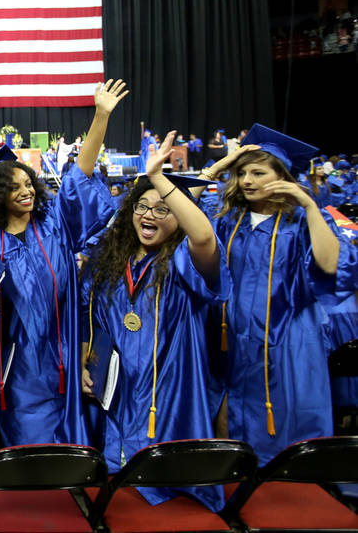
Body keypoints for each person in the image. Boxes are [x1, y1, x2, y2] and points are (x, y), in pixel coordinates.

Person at [0, 79, 126, 447]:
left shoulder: (55, 227)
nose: (26, 191)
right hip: (14, 363)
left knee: (67, 442)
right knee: (29, 444)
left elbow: (78, 178)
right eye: (15, 187)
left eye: (29, 183)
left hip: (64, 355)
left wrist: (100, 116)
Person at [82, 134, 230, 510]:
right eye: (142, 207)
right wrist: (87, 359)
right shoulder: (109, 264)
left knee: (169, 502)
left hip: (168, 389)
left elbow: (204, 237)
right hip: (115, 391)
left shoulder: (183, 262)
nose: (148, 215)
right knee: (115, 500)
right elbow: (93, 320)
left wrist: (159, 178)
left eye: (163, 209)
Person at [196, 124, 358, 463]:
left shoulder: (301, 221)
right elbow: (183, 202)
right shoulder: (228, 217)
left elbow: (331, 265)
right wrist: (223, 164)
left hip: (287, 340)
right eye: (241, 173)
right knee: (227, 422)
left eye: (258, 172)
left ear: (282, 176)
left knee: (288, 423)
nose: (247, 180)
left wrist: (311, 207)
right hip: (231, 341)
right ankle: (238, 496)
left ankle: (288, 500)